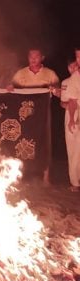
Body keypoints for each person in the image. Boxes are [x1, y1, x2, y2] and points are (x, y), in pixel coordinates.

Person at [9, 48, 60, 185]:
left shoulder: (50, 74)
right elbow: (11, 90)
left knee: (44, 141)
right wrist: (9, 89)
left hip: (43, 114)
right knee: (22, 141)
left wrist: (55, 90)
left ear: (42, 57)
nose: (33, 58)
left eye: (36, 56)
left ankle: (45, 177)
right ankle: (20, 174)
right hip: (24, 115)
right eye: (30, 56)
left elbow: (59, 92)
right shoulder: (21, 74)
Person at [62, 51, 80, 192]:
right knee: (74, 149)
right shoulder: (70, 80)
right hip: (73, 115)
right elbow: (68, 102)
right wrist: (73, 118)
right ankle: (75, 182)